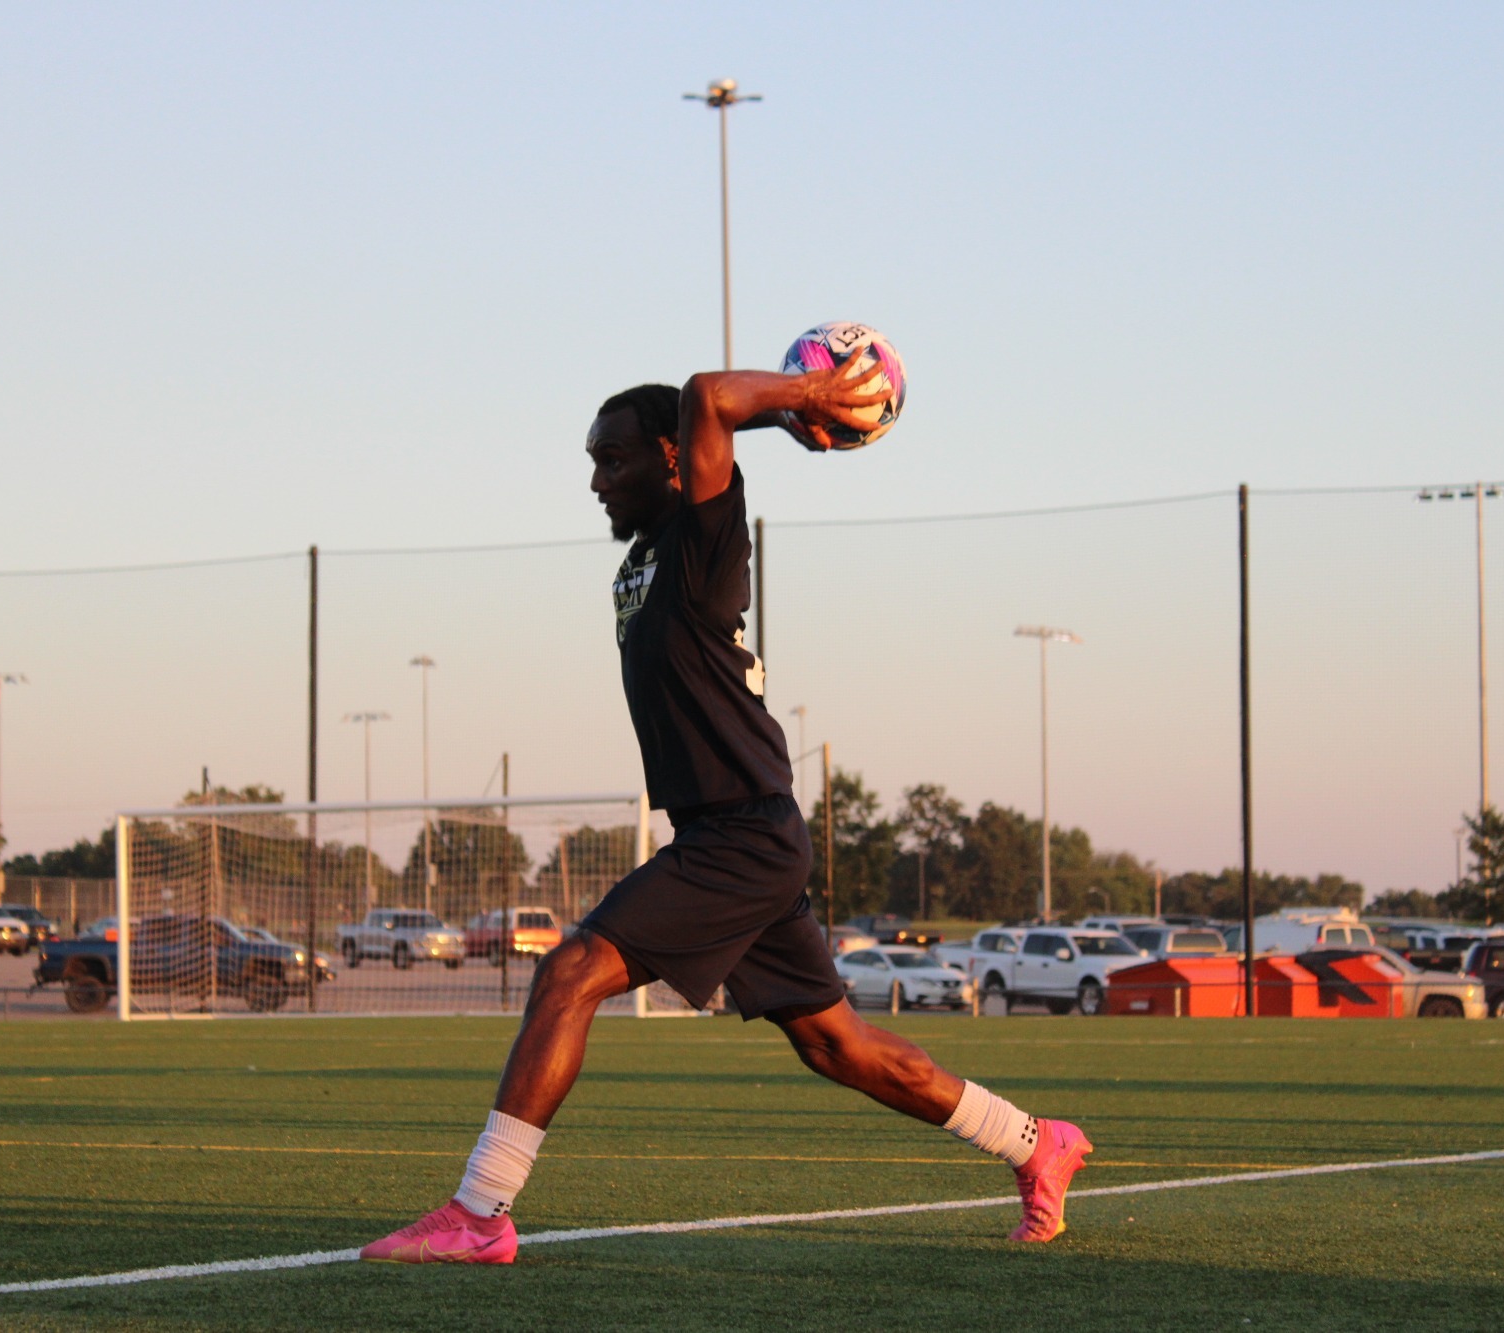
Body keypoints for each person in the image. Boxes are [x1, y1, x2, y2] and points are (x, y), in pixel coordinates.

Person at [360, 362, 1090, 1266]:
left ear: (674, 460)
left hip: (743, 831)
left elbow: (708, 394)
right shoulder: (643, 560)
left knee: (569, 972)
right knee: (838, 1045)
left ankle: (479, 1212)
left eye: (613, 459)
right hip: (730, 833)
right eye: (592, 461)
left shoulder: (703, 535)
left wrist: (807, 398)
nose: (596, 480)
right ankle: (1034, 1141)